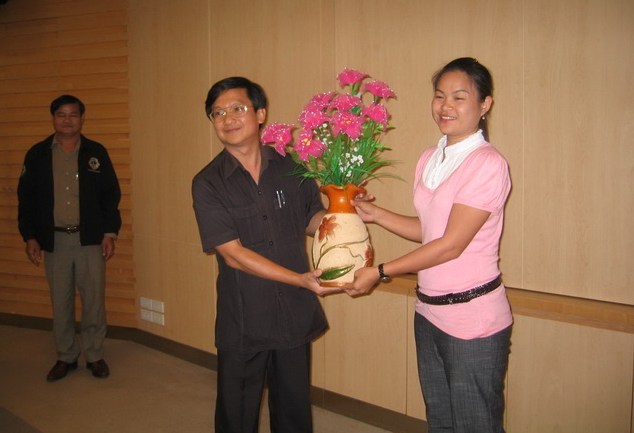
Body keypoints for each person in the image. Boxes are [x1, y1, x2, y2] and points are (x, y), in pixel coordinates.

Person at [344, 58, 513, 432]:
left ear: (484, 104)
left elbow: (451, 245)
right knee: (440, 422)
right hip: (429, 311)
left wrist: (381, 271)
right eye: (439, 96)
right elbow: (432, 230)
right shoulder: (429, 158)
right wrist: (377, 214)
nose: (445, 106)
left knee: (475, 425)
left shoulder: (487, 164)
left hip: (473, 319)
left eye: (459, 97)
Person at [192, 77, 337, 433]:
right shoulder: (208, 183)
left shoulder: (292, 167)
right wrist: (299, 279)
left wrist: (344, 211)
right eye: (217, 113)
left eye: (237, 108)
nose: (227, 118)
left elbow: (311, 220)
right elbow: (233, 255)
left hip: (292, 313)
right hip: (245, 317)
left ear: (260, 114)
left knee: (293, 412)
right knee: (236, 416)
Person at [17, 94, 121, 382]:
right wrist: (30, 236)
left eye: (73, 115)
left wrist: (109, 233)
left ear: (82, 119)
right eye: (61, 115)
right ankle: (66, 356)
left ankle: (94, 354)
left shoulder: (95, 152)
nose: (67, 120)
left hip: (90, 240)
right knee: (60, 303)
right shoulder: (37, 154)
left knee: (93, 301)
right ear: (53, 119)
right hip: (55, 241)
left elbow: (111, 195)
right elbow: (25, 198)